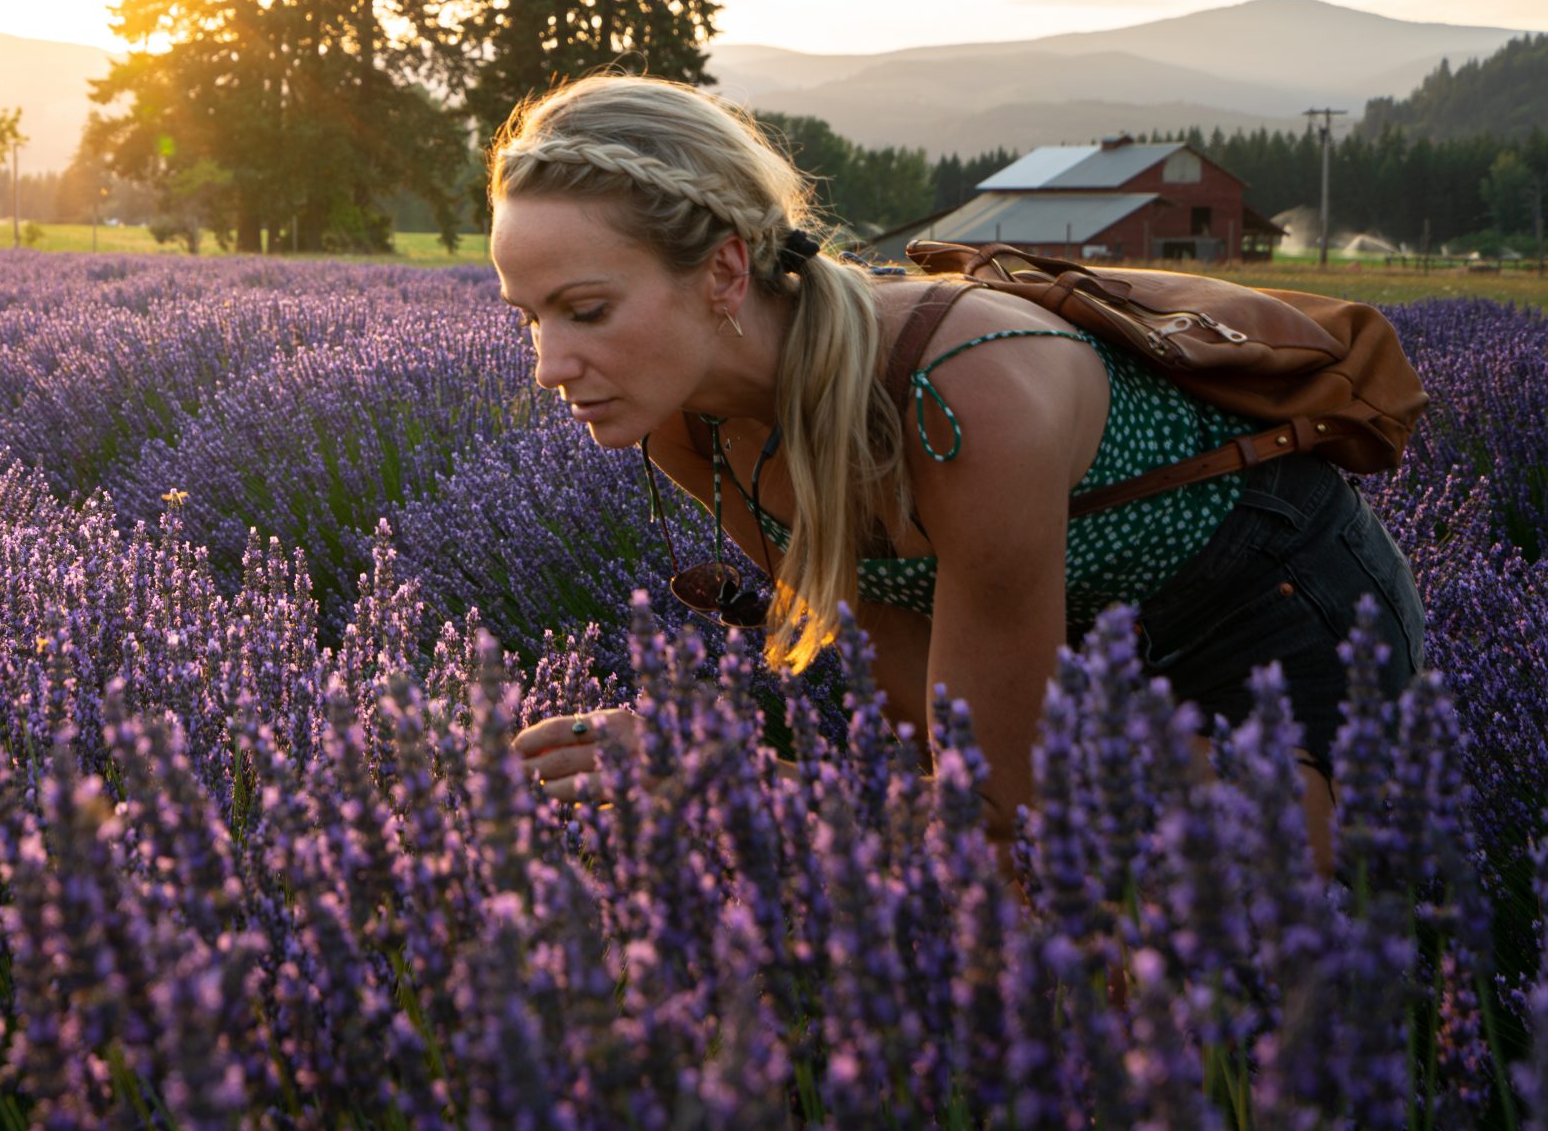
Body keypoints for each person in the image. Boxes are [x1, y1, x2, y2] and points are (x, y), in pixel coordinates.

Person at [490, 74, 1425, 877]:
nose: (549, 364)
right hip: (1085, 629)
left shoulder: (961, 400)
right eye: (531, 317)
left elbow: (1000, 814)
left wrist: (718, 777)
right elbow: (927, 733)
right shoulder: (691, 424)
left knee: (1245, 980)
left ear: (725, 272)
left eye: (587, 310)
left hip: (1266, 609)